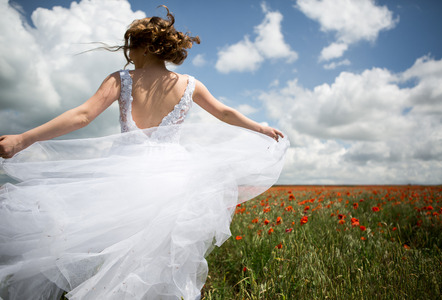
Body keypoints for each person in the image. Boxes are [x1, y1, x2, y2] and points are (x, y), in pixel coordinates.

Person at [0, 6, 288, 300]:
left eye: (131, 46)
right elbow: (225, 113)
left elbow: (82, 115)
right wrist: (260, 128)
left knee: (114, 252)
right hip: (173, 180)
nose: (128, 53)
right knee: (157, 260)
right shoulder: (189, 84)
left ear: (147, 47)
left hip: (123, 176)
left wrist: (24, 139)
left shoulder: (121, 79)